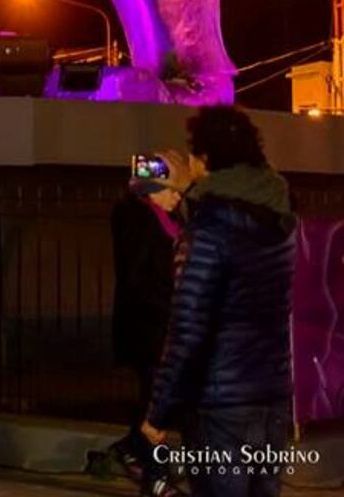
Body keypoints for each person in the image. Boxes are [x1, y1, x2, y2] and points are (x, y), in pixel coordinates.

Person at [141, 107, 297, 497]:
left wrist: (159, 412)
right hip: (273, 394)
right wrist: (189, 201)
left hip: (220, 403)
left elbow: (188, 329)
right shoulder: (280, 219)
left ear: (206, 159)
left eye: (192, 155)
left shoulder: (207, 229)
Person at [109, 177, 181, 496]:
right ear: (152, 194)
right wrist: (169, 304)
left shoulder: (168, 220)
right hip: (148, 326)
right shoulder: (140, 222)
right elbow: (137, 278)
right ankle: (156, 476)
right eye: (171, 190)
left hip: (164, 324)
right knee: (156, 400)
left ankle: (132, 447)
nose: (177, 196)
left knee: (154, 397)